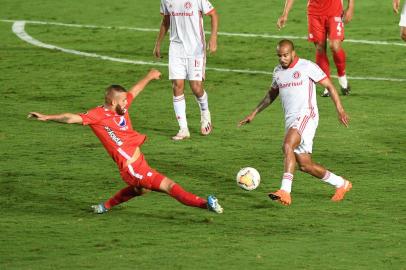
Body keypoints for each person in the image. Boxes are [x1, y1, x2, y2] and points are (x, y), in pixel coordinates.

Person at [28, 69, 223, 214]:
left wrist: (149, 76)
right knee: (169, 186)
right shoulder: (98, 115)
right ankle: (206, 204)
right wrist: (47, 117)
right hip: (131, 167)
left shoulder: (121, 106)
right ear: (112, 103)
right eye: (122, 102)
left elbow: (133, 92)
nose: (126, 103)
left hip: (139, 161)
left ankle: (104, 207)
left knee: (141, 190)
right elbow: (71, 118)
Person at [238, 40, 352, 206]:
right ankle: (342, 184)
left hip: (307, 115)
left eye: (285, 55)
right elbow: (271, 94)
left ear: (293, 53)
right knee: (306, 165)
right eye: (279, 56)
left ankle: (285, 191)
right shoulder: (277, 72)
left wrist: (340, 110)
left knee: (287, 146)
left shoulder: (307, 67)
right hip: (291, 119)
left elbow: (329, 86)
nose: (282, 59)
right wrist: (253, 113)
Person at [153, 0, 219, 140]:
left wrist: (213, 38)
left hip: (195, 49)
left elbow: (213, 14)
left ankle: (205, 113)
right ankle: (183, 129)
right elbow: (166, 20)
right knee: (177, 85)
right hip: (176, 48)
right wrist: (158, 43)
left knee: (196, 87)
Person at [277, 0, 354, 97]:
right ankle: (328, 85)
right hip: (314, 13)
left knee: (335, 46)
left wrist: (350, 7)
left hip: (335, 10)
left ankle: (342, 77)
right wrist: (285, 14)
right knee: (320, 48)